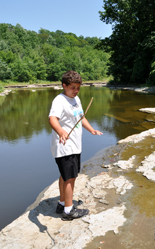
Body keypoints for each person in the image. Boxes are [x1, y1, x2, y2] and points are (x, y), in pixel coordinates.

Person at [48, 70, 103, 220]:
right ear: (64, 85)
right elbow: (52, 118)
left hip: (74, 145)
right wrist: (60, 131)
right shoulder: (60, 100)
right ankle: (68, 211)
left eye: (78, 88)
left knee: (65, 175)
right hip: (64, 145)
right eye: (72, 87)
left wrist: (92, 130)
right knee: (70, 177)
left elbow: (81, 117)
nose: (76, 91)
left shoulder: (76, 99)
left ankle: (62, 203)